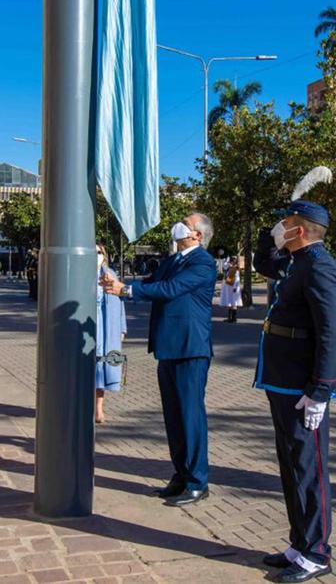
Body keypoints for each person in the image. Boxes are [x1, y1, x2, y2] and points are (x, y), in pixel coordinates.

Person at [253, 201, 336, 583]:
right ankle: (299, 542)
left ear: (301, 230)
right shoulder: (295, 261)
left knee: (309, 468)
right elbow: (263, 263)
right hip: (281, 377)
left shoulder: (318, 265)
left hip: (302, 384)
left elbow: (331, 331)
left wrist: (321, 389)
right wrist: (266, 234)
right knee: (292, 465)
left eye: (284, 224)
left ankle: (317, 552)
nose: (279, 228)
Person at [101, 213, 216, 507]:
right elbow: (152, 282)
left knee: (190, 416)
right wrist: (114, 279)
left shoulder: (202, 262)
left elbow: (169, 289)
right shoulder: (173, 259)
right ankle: (180, 475)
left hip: (191, 348)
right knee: (174, 417)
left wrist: (126, 290)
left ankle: (197, 481)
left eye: (185, 224)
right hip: (168, 347)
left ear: (198, 235)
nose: (178, 225)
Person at [95, 244, 127, 423]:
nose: (96, 256)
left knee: (103, 365)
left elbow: (120, 301)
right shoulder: (81, 274)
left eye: (99, 252)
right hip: (89, 326)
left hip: (108, 326)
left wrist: (122, 327)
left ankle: (99, 408)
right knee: (89, 366)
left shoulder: (111, 274)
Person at [219, 256, 242, 322]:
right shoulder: (231, 267)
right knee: (231, 301)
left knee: (233, 302)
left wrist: (235, 287)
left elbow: (237, 279)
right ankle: (231, 318)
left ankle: (233, 318)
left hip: (232, 288)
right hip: (230, 287)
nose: (230, 262)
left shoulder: (234, 269)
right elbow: (224, 266)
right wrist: (227, 260)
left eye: (231, 261)